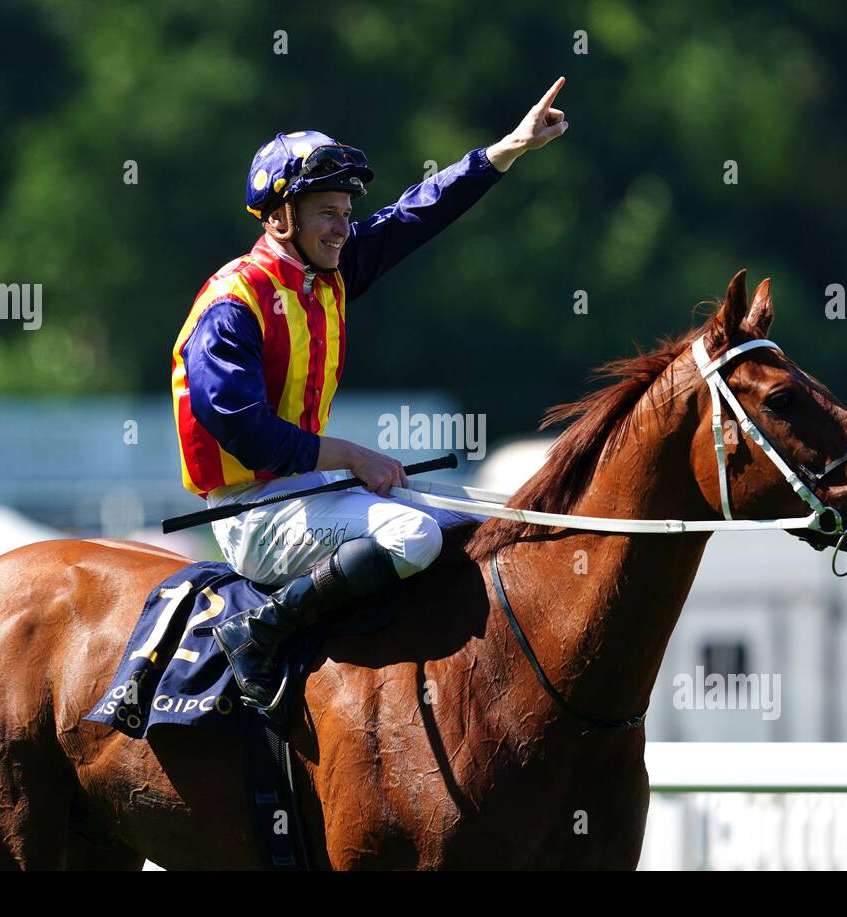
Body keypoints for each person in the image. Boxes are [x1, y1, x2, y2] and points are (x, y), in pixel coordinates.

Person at [171, 78, 569, 710]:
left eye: (346, 212)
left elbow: (415, 214)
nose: (343, 226)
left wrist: (506, 151)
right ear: (279, 218)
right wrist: (355, 457)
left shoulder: (326, 269)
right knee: (414, 539)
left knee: (487, 523)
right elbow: (242, 429)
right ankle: (261, 631)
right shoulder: (232, 305)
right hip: (248, 512)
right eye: (327, 212)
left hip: (309, 494)